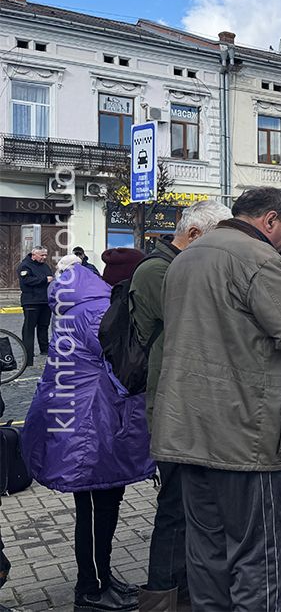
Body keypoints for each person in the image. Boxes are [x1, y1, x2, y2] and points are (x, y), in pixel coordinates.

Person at [151, 187, 281, 612]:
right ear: (270, 221)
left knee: (206, 552)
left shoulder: (186, 259)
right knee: (260, 554)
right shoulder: (258, 260)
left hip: (189, 429)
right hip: (246, 433)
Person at [23, 256, 156, 612]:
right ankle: (92, 588)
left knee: (97, 507)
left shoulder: (73, 307)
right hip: (94, 425)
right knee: (99, 509)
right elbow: (124, 364)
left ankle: (101, 578)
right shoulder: (99, 311)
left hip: (83, 419)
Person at [130, 199, 231, 610]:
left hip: (188, 401)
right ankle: (163, 597)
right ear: (193, 235)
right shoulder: (160, 270)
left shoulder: (173, 266)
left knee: (194, 507)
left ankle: (189, 588)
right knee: (173, 508)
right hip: (172, 406)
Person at [17, 245, 53, 360]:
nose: (44, 257)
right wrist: (44, 280)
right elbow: (26, 280)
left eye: (45, 255)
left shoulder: (45, 266)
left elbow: (50, 277)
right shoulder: (25, 265)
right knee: (29, 328)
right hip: (31, 301)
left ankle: (45, 349)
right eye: (42, 255)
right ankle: (28, 353)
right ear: (34, 255)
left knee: (44, 326)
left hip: (44, 301)